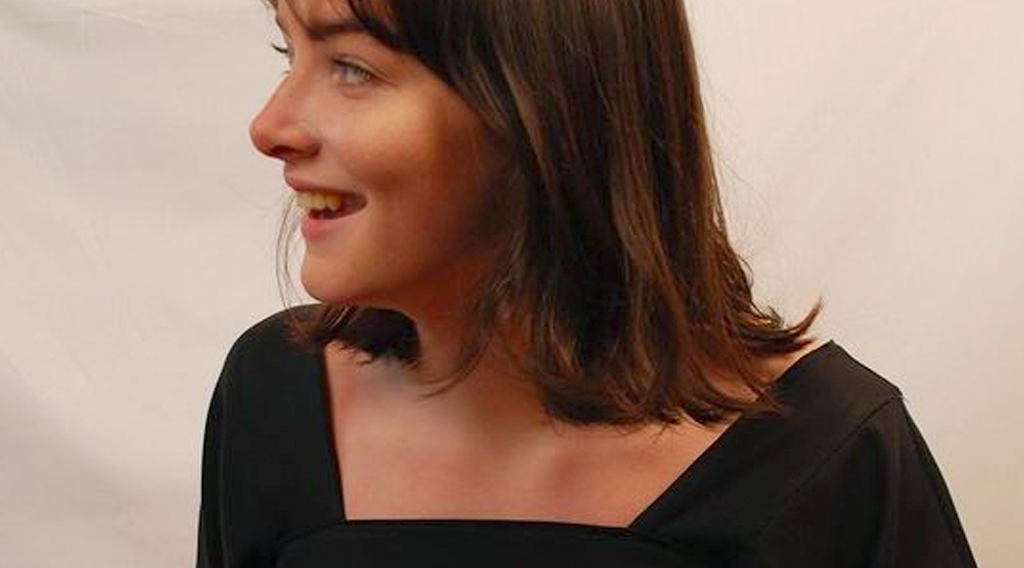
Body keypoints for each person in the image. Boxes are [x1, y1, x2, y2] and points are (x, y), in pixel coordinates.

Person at [196, 0, 977, 566]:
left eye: (352, 68)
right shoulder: (274, 400)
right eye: (289, 54)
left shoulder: (829, 454)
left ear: (540, 105)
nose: (270, 127)